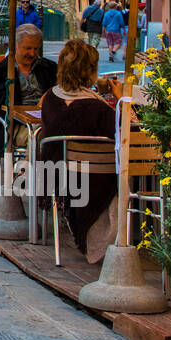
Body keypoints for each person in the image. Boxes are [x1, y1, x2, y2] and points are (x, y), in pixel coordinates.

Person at [38, 39, 120, 264]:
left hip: (56, 174)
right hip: (93, 181)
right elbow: (121, 133)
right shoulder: (99, 109)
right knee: (127, 169)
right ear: (91, 71)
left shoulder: (50, 99)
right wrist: (120, 98)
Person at [0, 24, 58, 157]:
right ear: (15, 46)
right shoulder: (1, 73)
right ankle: (30, 174)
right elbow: (1, 108)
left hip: (47, 121)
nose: (32, 53)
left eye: (36, 49)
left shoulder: (49, 68)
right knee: (41, 133)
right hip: (14, 128)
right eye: (28, 48)